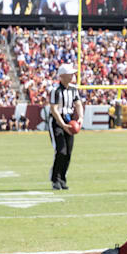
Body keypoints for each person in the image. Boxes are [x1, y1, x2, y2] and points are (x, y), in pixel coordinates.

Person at [48, 62, 82, 190]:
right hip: (58, 122)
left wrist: (80, 118)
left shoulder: (73, 89)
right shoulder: (55, 90)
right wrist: (62, 124)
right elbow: (54, 109)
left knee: (68, 153)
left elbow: (78, 104)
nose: (73, 75)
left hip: (69, 121)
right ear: (62, 76)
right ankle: (55, 179)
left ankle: (62, 178)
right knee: (61, 151)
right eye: (70, 73)